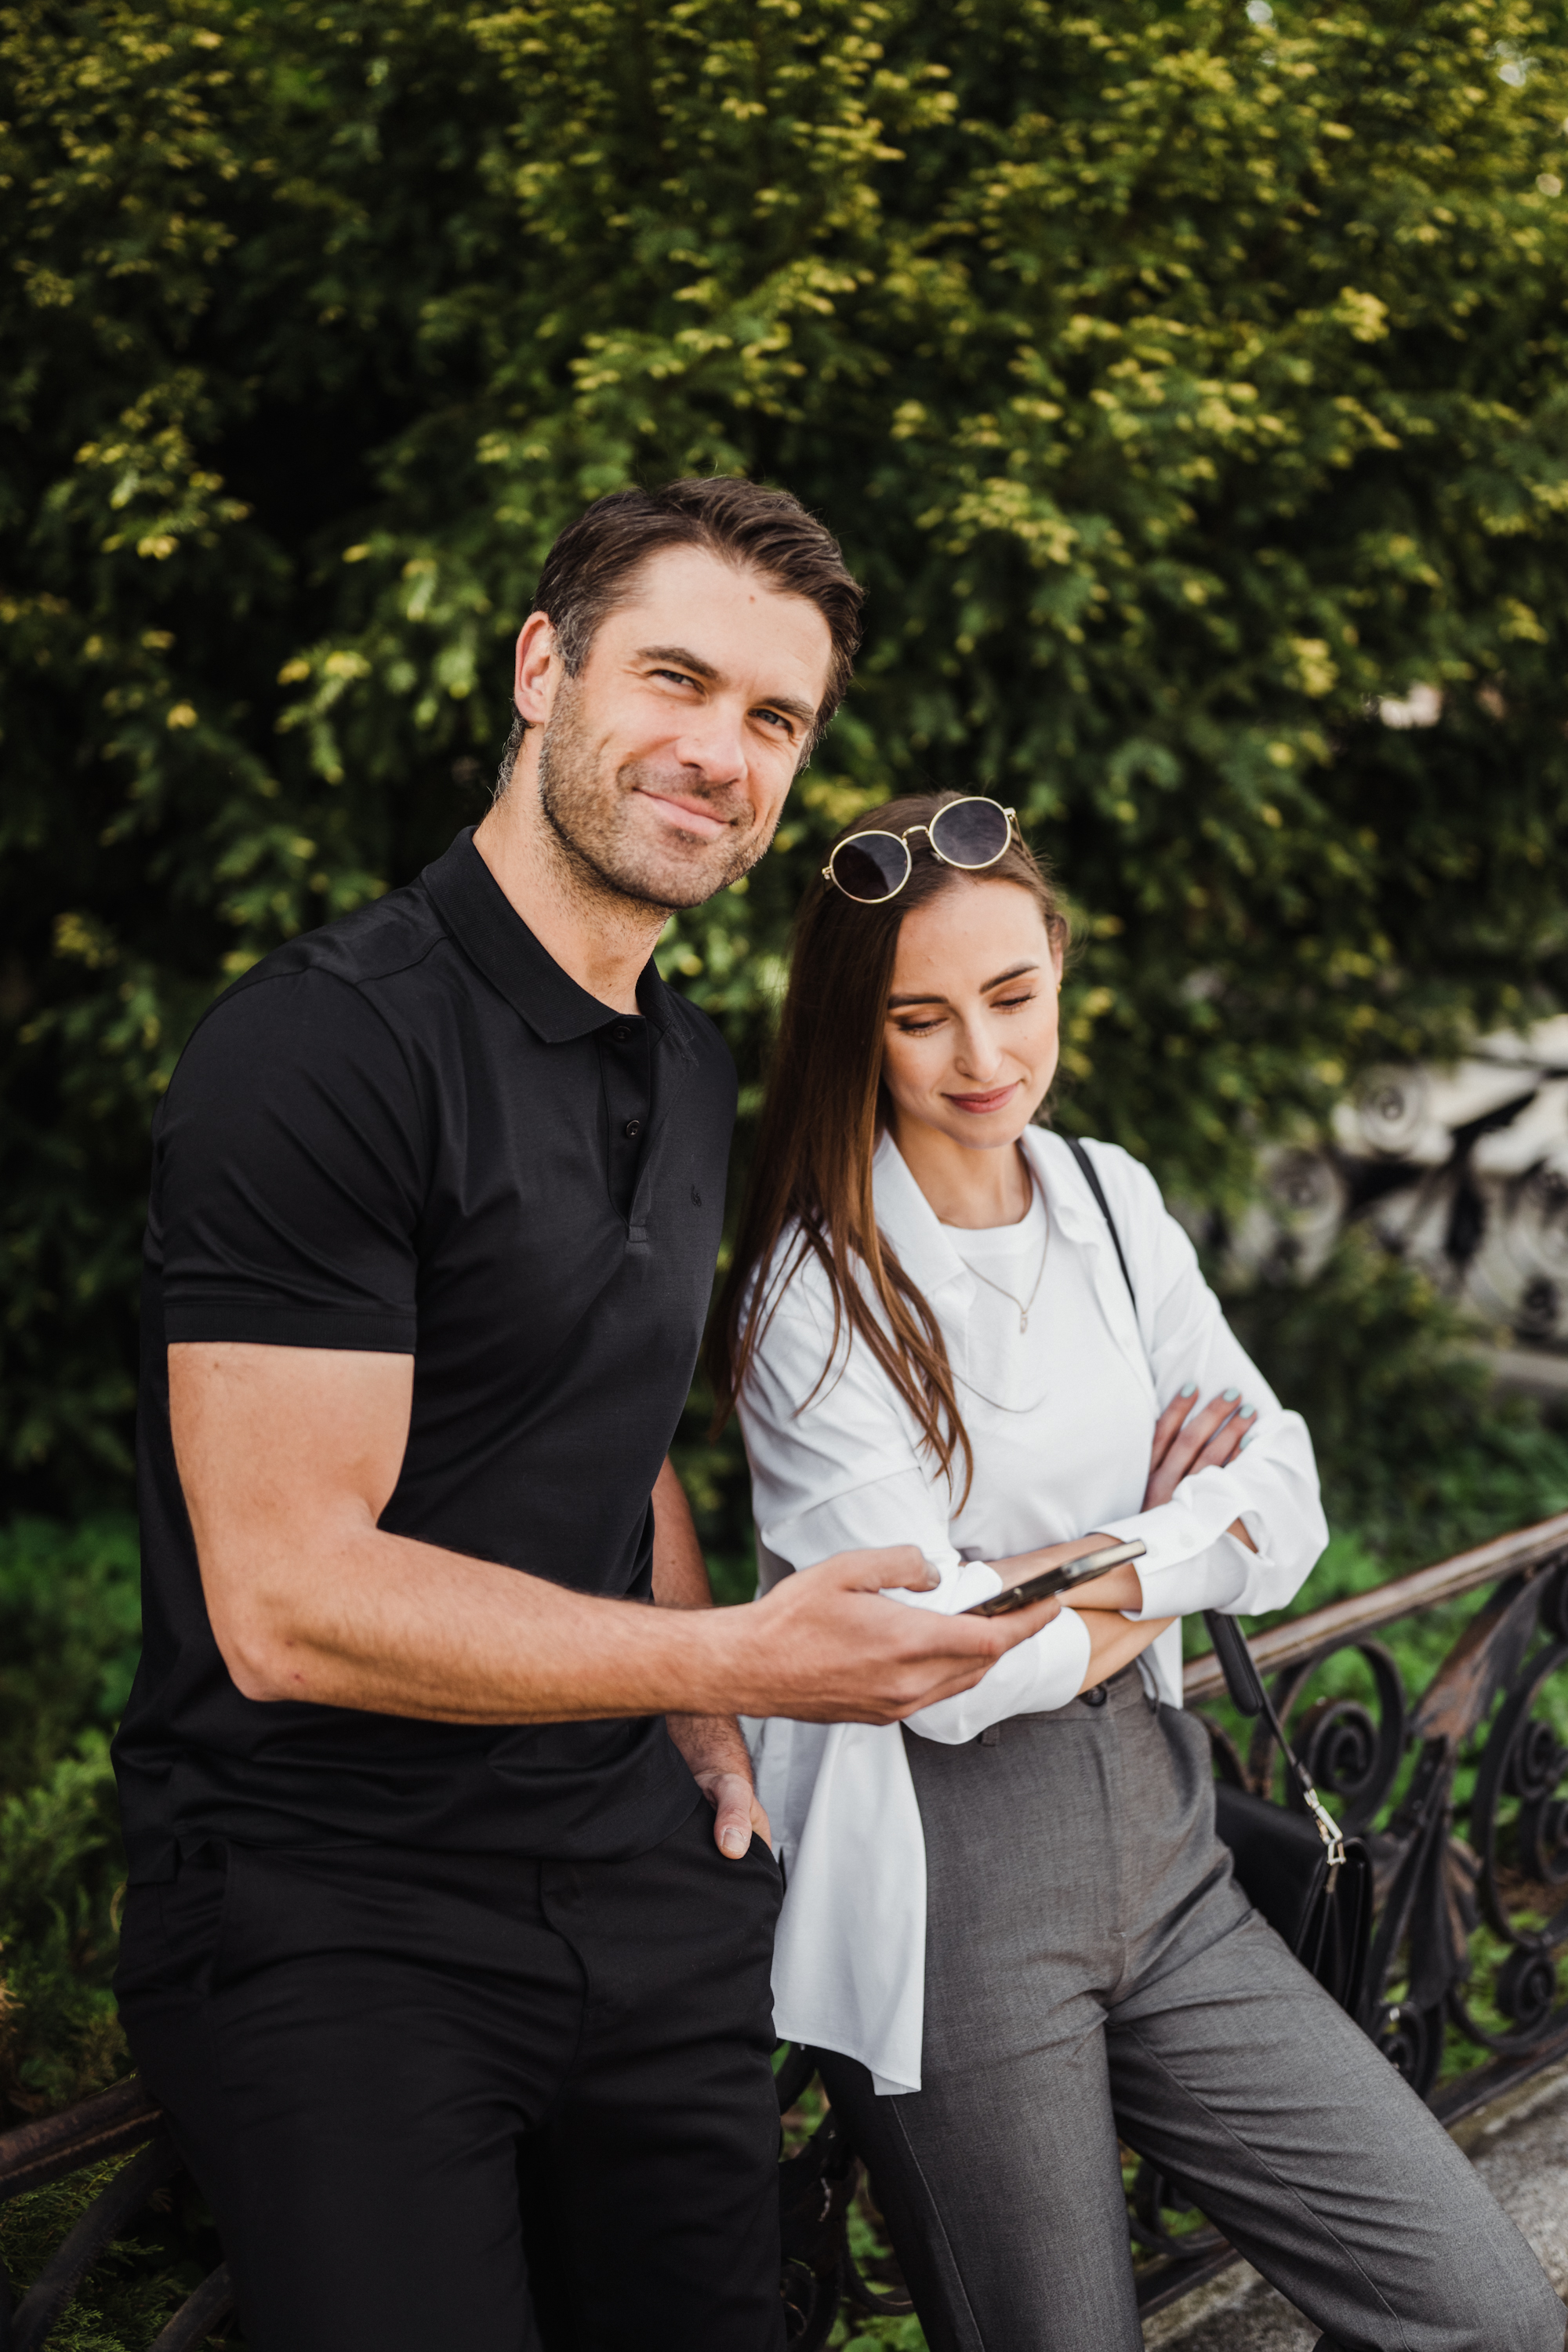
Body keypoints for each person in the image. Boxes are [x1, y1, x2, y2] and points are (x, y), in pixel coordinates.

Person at [111, 491, 1059, 2352]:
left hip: (635, 1885)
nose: (722, 752)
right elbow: (284, 1601)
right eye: (676, 679)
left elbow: (607, 1429)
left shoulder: (685, 1060)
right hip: (334, 1914)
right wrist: (740, 1653)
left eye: (775, 719)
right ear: (543, 669)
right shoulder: (320, 1050)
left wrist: (704, 1729)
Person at [710, 789, 1567, 2352]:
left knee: (1484, 2312)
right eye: (921, 1018)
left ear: (1059, 969)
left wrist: (1059, 1574)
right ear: (854, 1030)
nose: (982, 1057)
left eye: (1013, 996)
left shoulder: (1109, 1197)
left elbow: (1284, 1501)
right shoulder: (813, 1296)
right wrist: (1172, 1555)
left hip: (1165, 1849)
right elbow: (934, 1670)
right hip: (948, 1904)